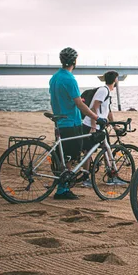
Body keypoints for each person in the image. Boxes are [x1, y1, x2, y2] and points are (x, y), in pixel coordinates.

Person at [49, 47, 107, 200]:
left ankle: (63, 184)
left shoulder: (54, 78)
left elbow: (57, 98)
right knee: (70, 156)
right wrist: (97, 117)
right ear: (74, 61)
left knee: (64, 156)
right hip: (71, 121)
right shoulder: (70, 79)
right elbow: (80, 105)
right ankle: (63, 189)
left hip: (60, 120)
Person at [80, 70, 125, 187]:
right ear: (115, 80)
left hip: (100, 125)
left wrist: (114, 125)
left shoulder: (107, 92)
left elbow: (107, 110)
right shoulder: (103, 91)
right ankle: (86, 178)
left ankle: (111, 176)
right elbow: (94, 108)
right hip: (91, 125)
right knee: (88, 152)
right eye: (117, 79)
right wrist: (94, 127)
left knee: (106, 148)